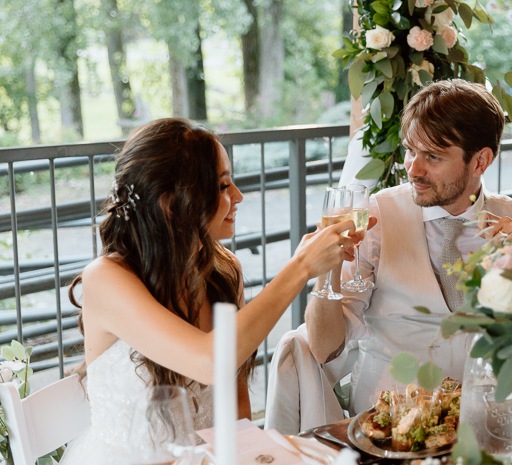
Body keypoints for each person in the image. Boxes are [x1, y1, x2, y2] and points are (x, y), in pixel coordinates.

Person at [59, 118, 355, 464]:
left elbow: (236, 405)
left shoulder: (223, 271)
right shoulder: (106, 279)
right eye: (222, 185)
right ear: (171, 203)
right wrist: (300, 267)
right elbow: (210, 361)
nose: (238, 196)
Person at [305, 79, 512, 415]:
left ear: (480, 162)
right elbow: (323, 347)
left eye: (432, 156)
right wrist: (325, 272)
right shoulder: (374, 218)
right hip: (386, 420)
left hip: (487, 417)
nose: (413, 169)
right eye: (410, 150)